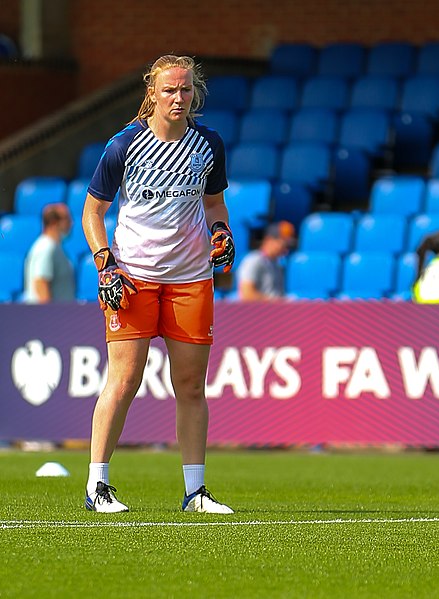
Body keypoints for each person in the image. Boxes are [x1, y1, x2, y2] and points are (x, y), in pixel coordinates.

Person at [81, 55, 235, 513]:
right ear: (152, 92)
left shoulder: (208, 144)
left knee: (190, 386)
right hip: (133, 277)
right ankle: (98, 486)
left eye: (186, 90)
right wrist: (105, 264)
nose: (178, 98)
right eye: (169, 90)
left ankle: (195, 493)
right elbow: (93, 212)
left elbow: (214, 205)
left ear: (195, 93)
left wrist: (222, 233)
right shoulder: (124, 145)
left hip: (191, 279)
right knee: (124, 379)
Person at [24, 203, 75, 303]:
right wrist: (49, 316)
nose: (71, 223)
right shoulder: (46, 248)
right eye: (67, 219)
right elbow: (41, 284)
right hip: (49, 316)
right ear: (54, 222)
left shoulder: (54, 247)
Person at [236, 220, 296, 301]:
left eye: (288, 246)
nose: (286, 250)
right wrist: (277, 302)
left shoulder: (277, 264)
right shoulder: (253, 260)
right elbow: (247, 294)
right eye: (283, 244)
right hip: (256, 311)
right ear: (269, 240)